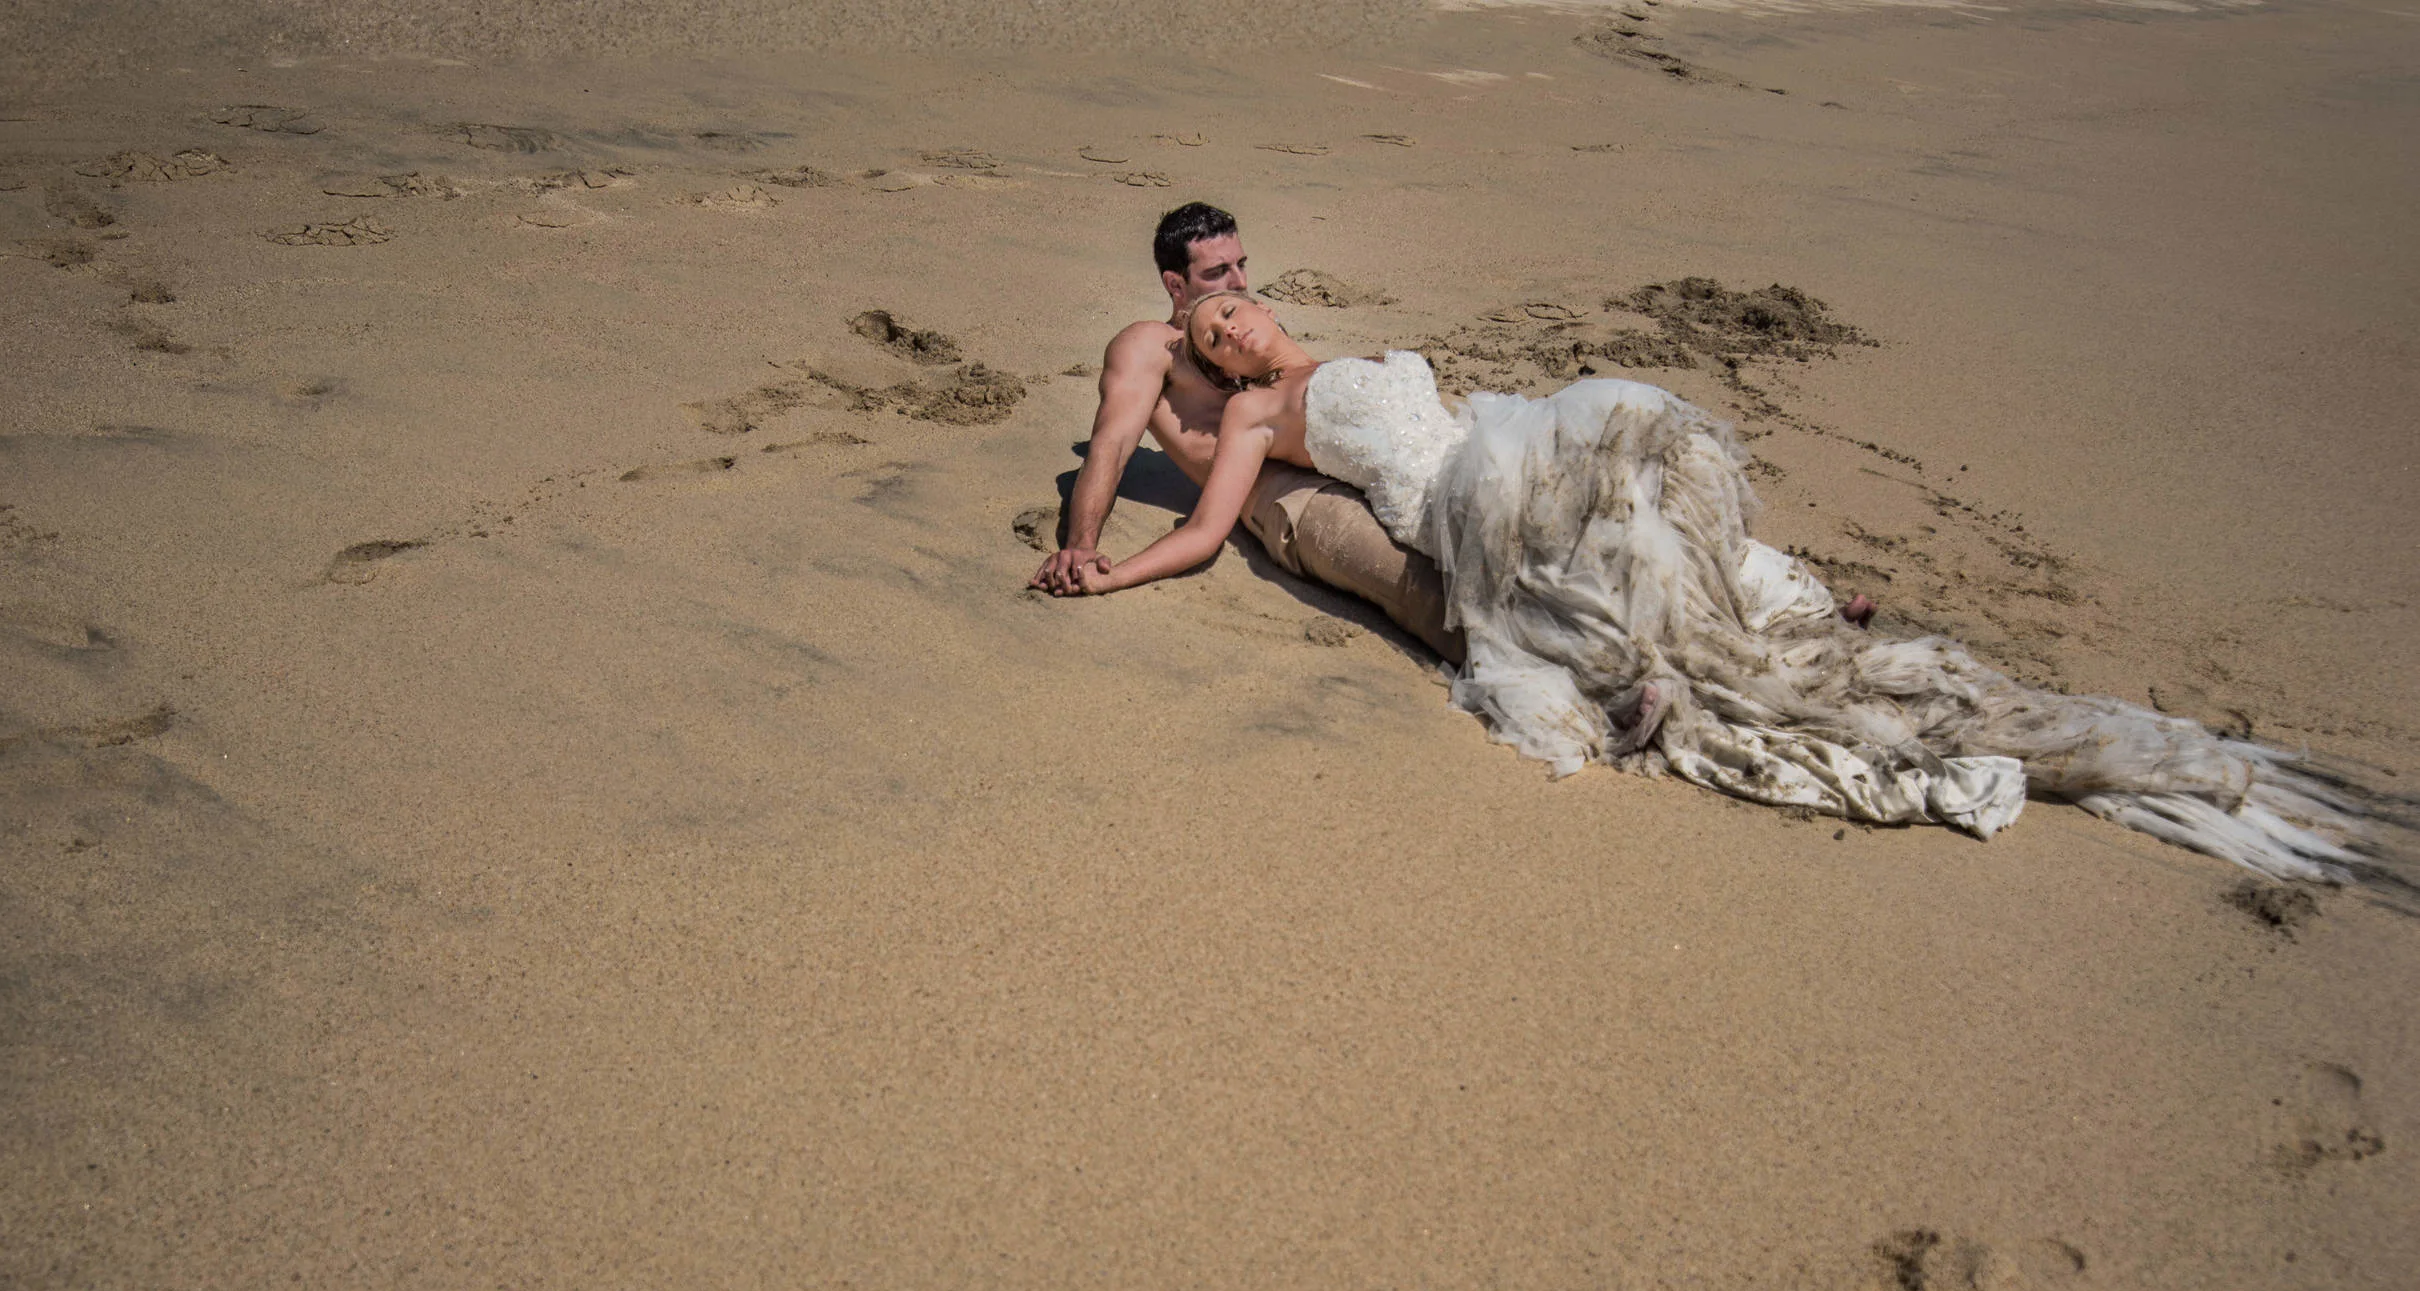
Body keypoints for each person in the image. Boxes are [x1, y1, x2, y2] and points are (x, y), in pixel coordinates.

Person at [1052, 291, 2397, 886]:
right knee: (1593, 577)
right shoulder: (1248, 421)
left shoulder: (1344, 352)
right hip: (1454, 503)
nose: (1234, 325)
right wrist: (1109, 562)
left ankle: (1761, 596)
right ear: (1220, 372)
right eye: (1214, 335)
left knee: (1636, 490)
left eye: (1234, 309)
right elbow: (1212, 520)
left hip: (1491, 443)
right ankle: (1704, 649)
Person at [1027, 202, 1464, 660]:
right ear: (1175, 284)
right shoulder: (1152, 344)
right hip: (1288, 493)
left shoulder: (1243, 325)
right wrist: (1080, 546)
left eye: (1240, 264)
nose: (1237, 281)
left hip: (1349, 460)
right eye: (1217, 272)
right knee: (1426, 589)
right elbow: (1113, 444)